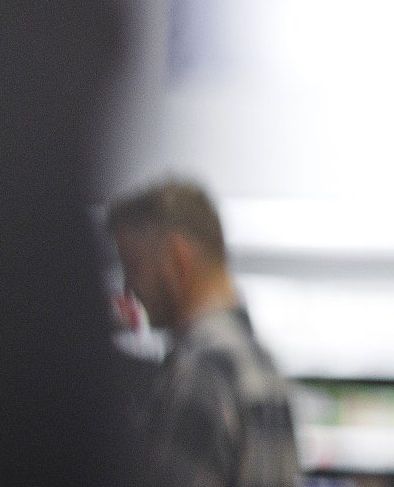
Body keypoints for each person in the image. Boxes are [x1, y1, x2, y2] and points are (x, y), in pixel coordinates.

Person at [107, 181, 301, 487]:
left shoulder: (199, 370)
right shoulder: (265, 367)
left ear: (176, 259)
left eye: (134, 265)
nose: (129, 288)